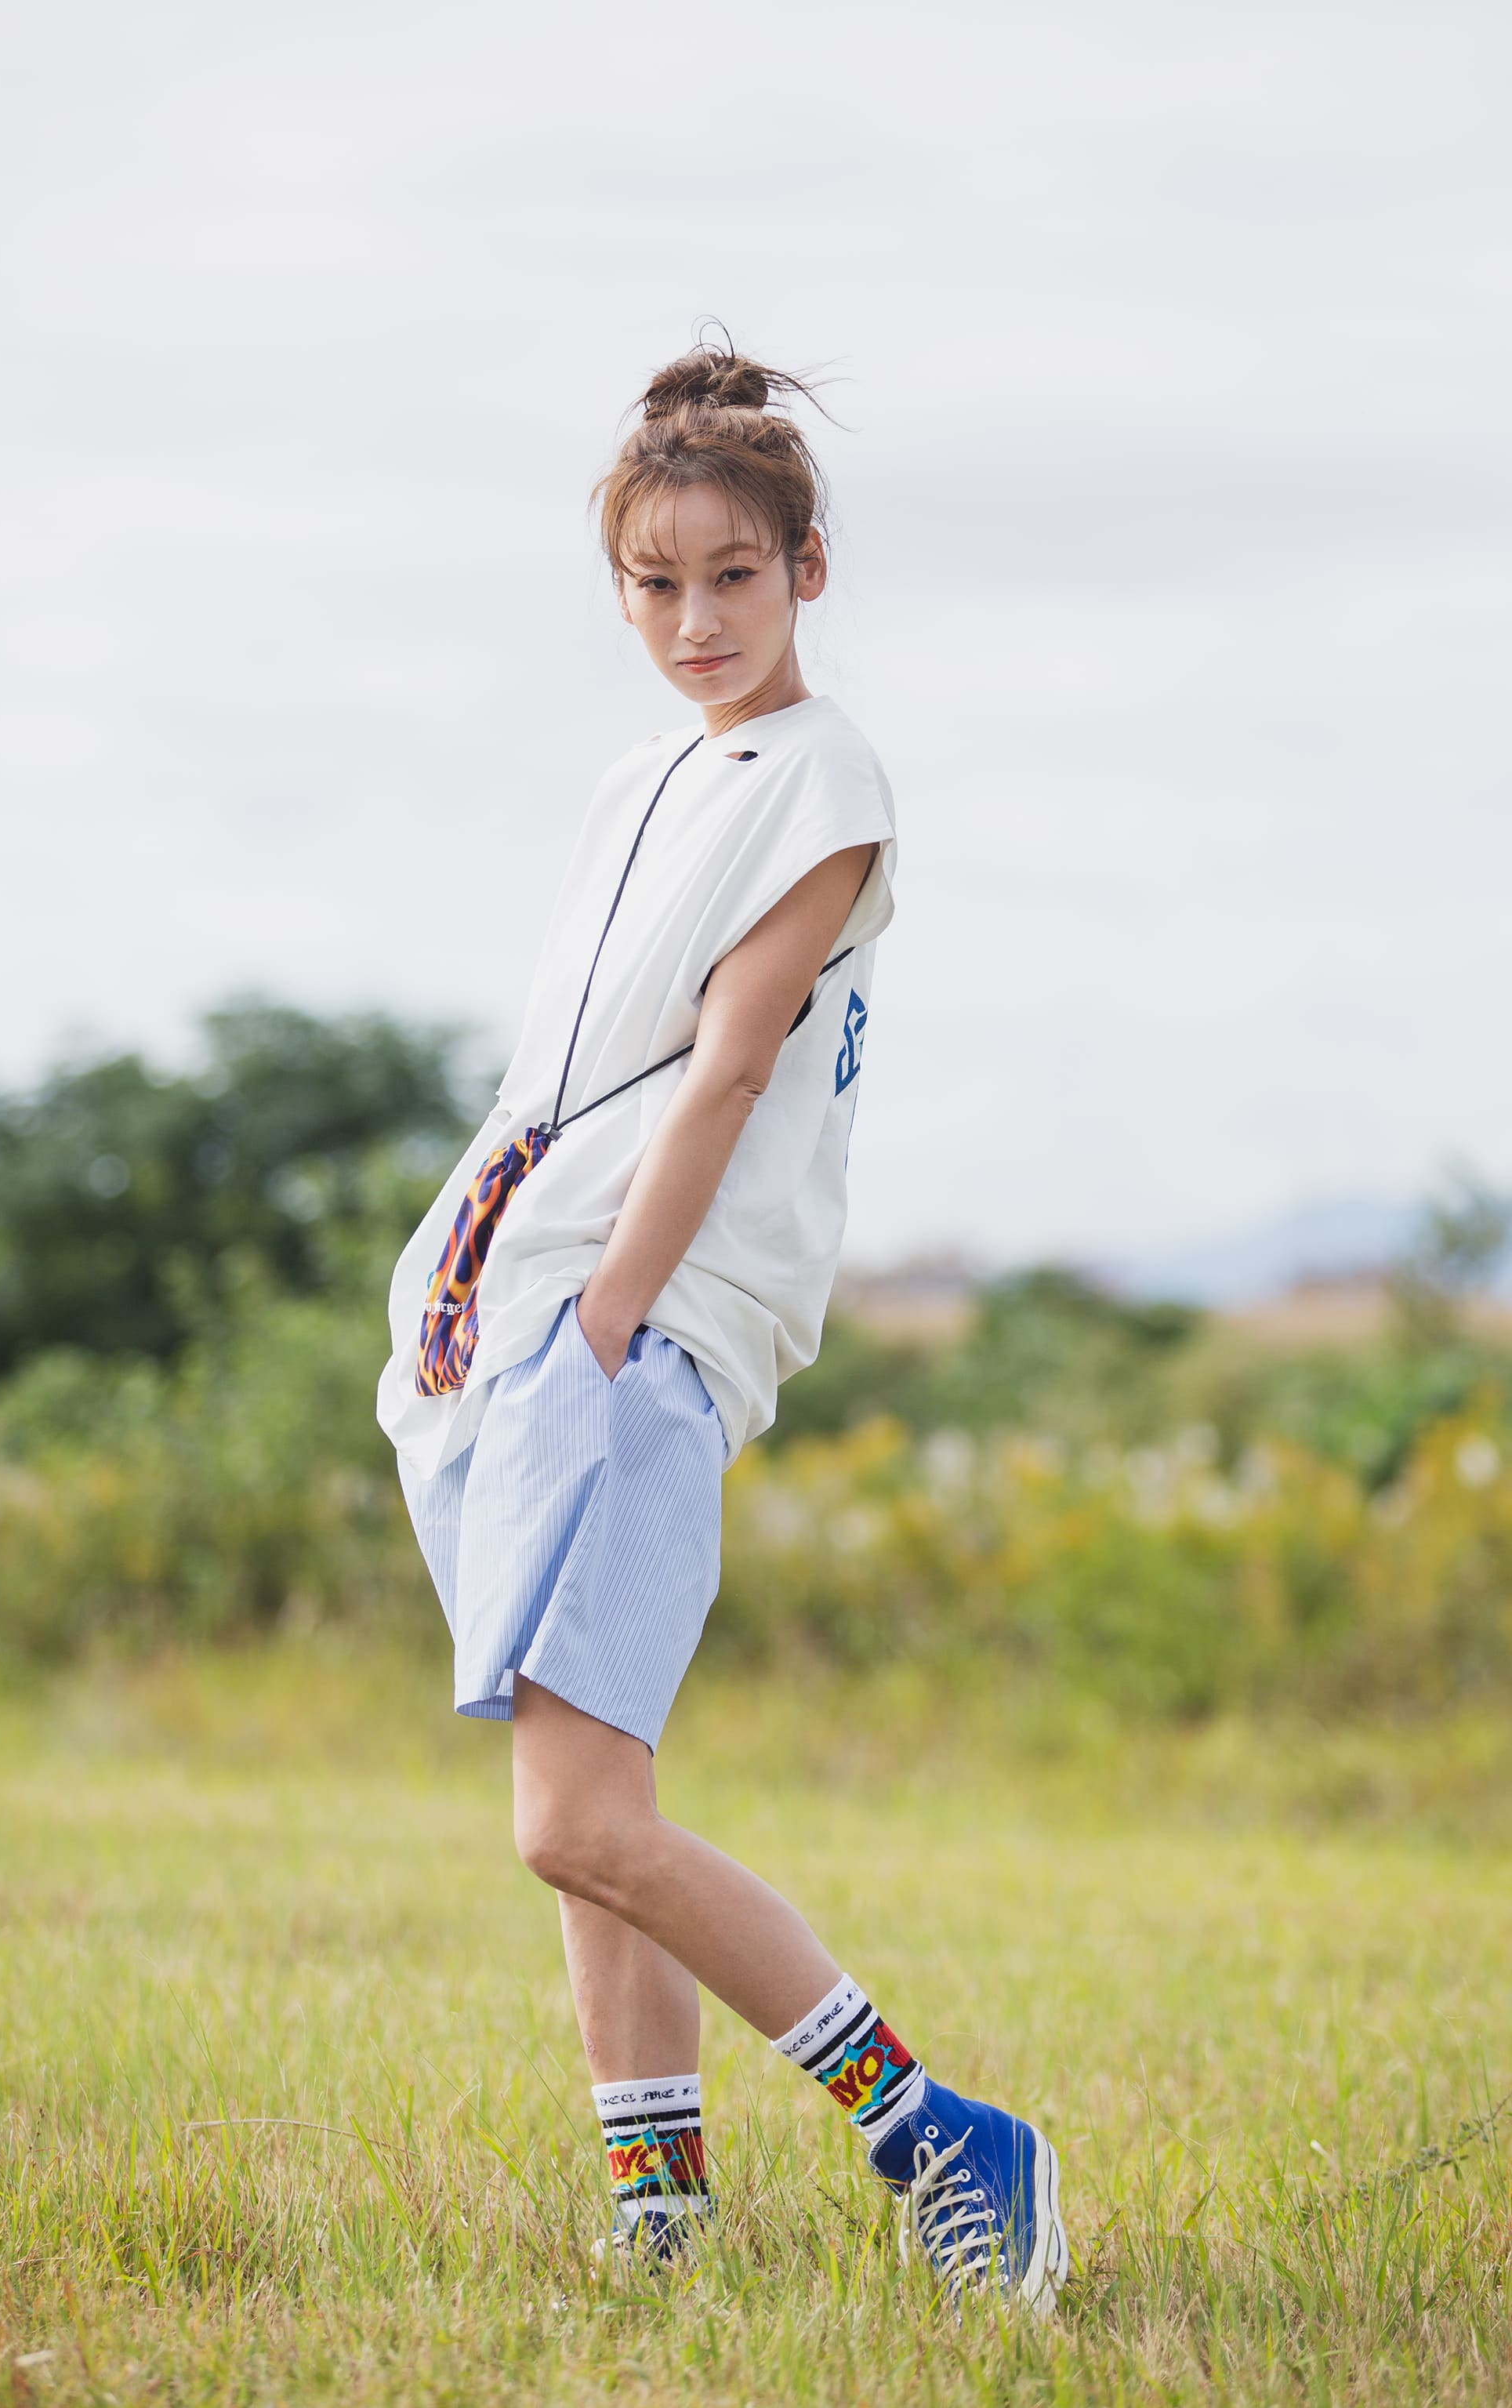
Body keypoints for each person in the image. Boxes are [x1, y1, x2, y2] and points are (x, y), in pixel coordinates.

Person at [377, 341, 1068, 2312]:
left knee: (574, 1822)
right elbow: (561, 1076)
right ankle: (661, 2226)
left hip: (636, 1327)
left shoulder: (825, 778)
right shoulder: (646, 776)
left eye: (734, 577)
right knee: (595, 1822)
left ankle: (943, 2138)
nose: (696, 620)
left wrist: (602, 1327)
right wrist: (468, 1305)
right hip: (510, 1311)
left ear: (805, 572)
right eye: (656, 583)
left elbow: (728, 1071)